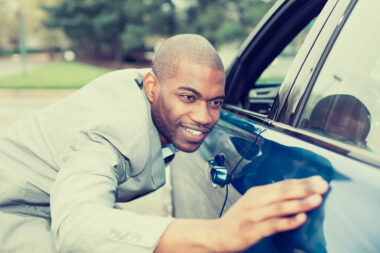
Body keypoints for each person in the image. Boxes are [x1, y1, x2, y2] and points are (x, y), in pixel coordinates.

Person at [0, 34, 328, 253]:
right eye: (188, 97)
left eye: (216, 102)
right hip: (13, 213)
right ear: (152, 87)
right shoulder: (111, 131)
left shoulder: (154, 92)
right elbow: (77, 228)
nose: (204, 116)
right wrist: (217, 234)